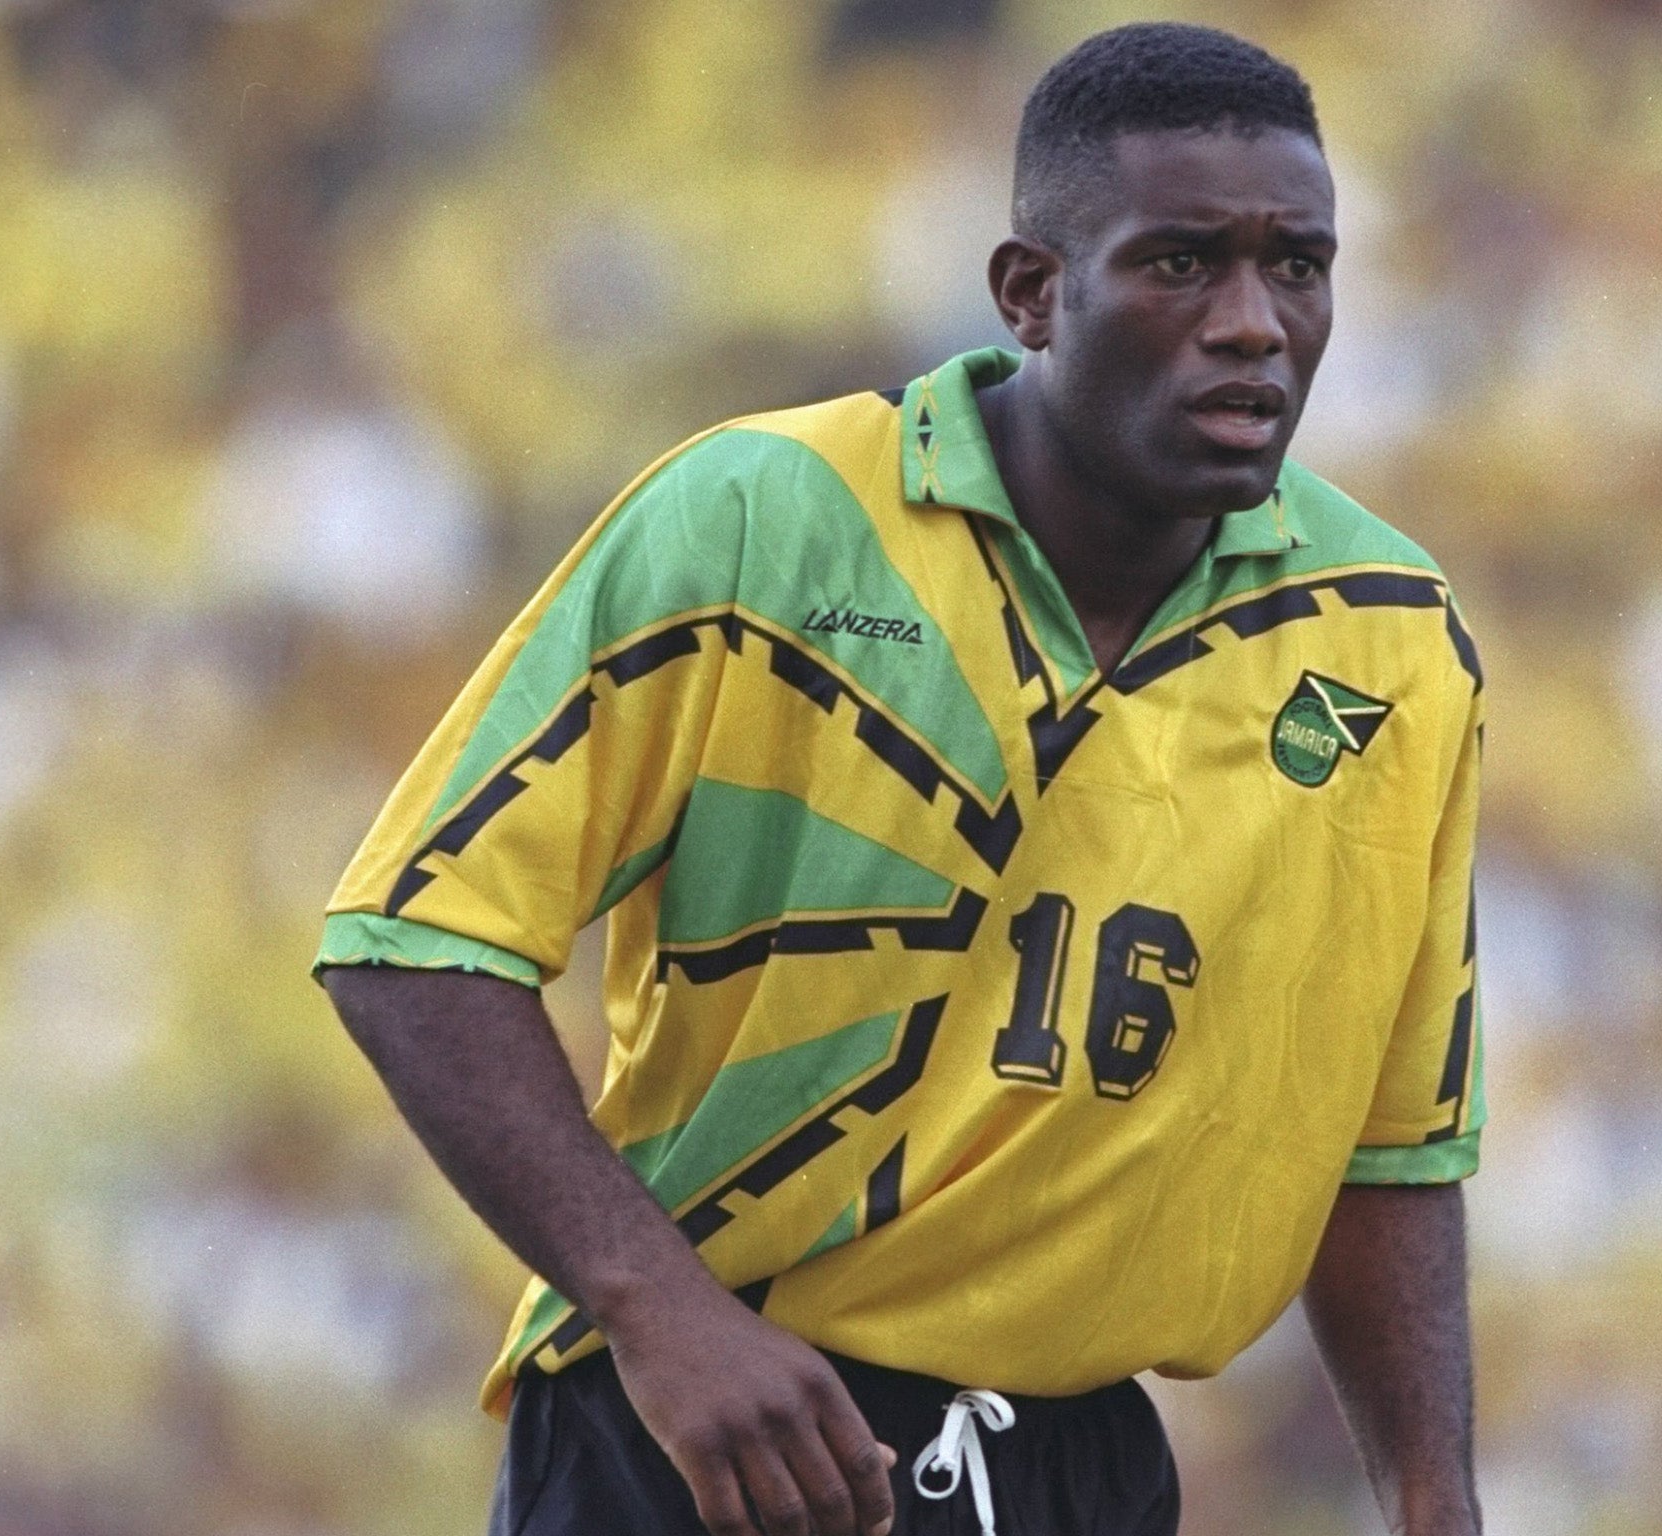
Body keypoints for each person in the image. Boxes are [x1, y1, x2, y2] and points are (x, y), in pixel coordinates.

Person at [318, 21, 1486, 1536]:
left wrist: (1436, 1505)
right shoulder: (762, 522)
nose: (1255, 323)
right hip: (716, 1439)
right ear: (1032, 295)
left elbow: (1389, 1144)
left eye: (1299, 267)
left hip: (1081, 1469)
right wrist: (661, 1318)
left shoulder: (1393, 640)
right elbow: (411, 942)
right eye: (1182, 263)